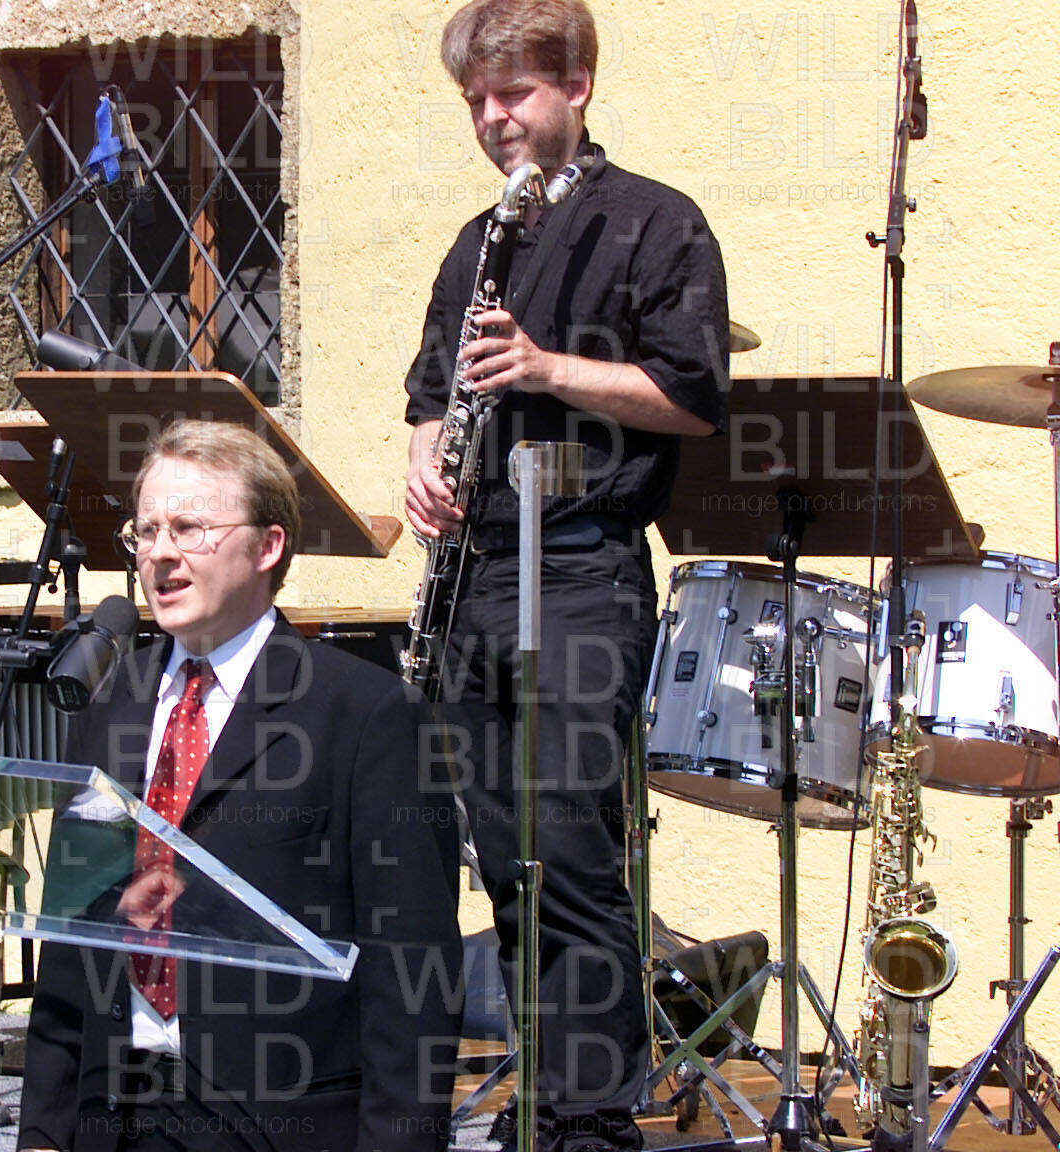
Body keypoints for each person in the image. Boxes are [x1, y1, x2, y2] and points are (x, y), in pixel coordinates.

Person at [402, 2, 729, 1148]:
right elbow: (428, 397)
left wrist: (547, 365)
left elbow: (691, 395)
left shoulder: (656, 225)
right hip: (478, 576)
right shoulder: (472, 242)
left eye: (515, 95)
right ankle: (539, 1098)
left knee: (575, 851)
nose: (494, 120)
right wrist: (420, 474)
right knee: (504, 860)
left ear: (578, 85)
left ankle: (592, 1120)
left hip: (583, 569)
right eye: (477, 103)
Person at [19, 420, 462, 1151]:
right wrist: (42, 1132)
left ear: (268, 545)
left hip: (277, 1121)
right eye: (147, 531)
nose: (161, 553)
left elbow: (412, 978)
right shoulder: (112, 704)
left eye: (190, 528)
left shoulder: (364, 713)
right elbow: (72, 946)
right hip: (117, 1116)